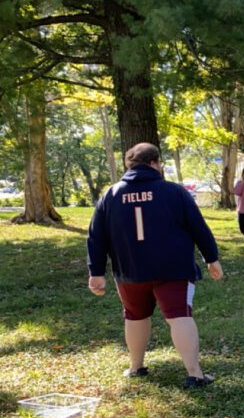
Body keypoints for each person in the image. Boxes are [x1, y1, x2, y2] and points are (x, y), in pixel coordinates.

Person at [86, 142, 222, 389]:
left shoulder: (111, 194)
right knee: (180, 315)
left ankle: (136, 367)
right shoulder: (174, 191)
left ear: (129, 164)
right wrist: (212, 258)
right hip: (173, 268)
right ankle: (195, 373)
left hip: (129, 270)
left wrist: (95, 272)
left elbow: (96, 236)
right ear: (154, 163)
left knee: (135, 316)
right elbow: (198, 227)